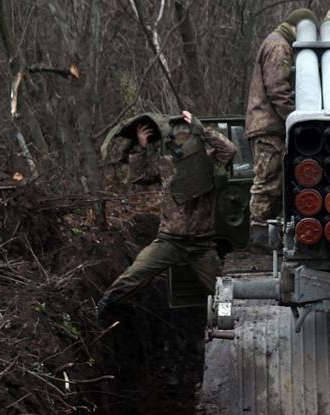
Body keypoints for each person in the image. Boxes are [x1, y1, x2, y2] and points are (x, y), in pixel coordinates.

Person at [96, 111, 236, 321]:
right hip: (170, 240)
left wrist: (202, 129)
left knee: (221, 291)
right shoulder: (167, 164)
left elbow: (229, 150)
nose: (182, 141)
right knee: (136, 273)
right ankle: (103, 307)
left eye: (186, 136)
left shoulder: (208, 162)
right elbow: (139, 176)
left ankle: (227, 321)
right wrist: (141, 147)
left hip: (201, 244)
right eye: (178, 137)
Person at [245, 8, 317, 231]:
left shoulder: (277, 42)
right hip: (269, 127)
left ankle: (265, 232)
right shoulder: (279, 46)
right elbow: (278, 90)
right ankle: (259, 233)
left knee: (274, 183)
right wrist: (297, 122)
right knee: (268, 183)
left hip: (268, 125)